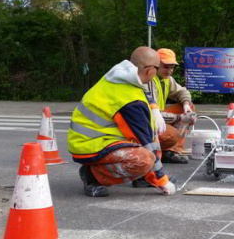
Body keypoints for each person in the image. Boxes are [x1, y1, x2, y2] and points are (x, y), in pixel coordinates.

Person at [68, 47, 176, 197]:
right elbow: (146, 142)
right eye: (157, 68)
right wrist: (162, 181)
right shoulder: (130, 101)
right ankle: (92, 175)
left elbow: (144, 91)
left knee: (167, 135)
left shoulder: (121, 75)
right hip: (89, 143)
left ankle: (145, 176)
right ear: (150, 70)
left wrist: (154, 109)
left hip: (101, 135)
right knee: (143, 160)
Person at [146, 48, 197, 164]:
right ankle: (161, 151)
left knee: (189, 106)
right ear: (156, 64)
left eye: (172, 67)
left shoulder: (167, 79)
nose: (169, 71)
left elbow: (183, 92)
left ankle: (171, 152)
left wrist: (186, 106)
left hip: (158, 117)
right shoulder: (149, 80)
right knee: (173, 134)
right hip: (149, 122)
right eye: (165, 66)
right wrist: (180, 118)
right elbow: (152, 115)